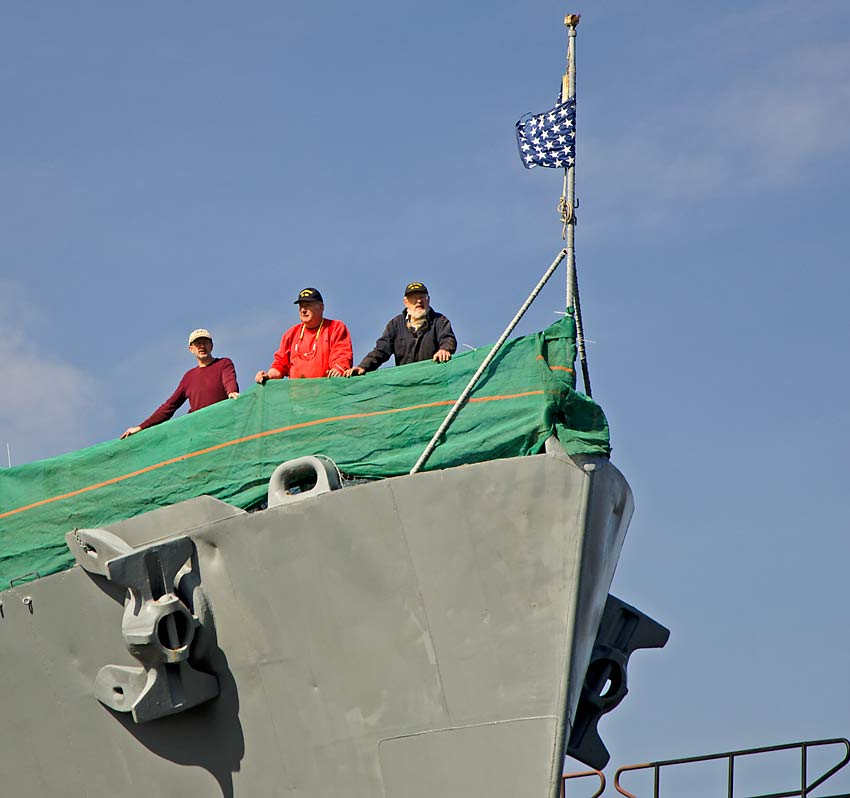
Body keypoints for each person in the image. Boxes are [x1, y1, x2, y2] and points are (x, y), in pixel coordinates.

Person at [120, 329, 239, 439]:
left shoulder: (224, 363)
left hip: (224, 427)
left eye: (205, 342)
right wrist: (141, 427)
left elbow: (229, 380)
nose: (202, 346)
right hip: (200, 434)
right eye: (198, 344)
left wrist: (231, 392)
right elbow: (169, 406)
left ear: (211, 346)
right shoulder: (189, 377)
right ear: (191, 349)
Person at [344, 282, 456, 376]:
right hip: (405, 387)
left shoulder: (439, 320)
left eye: (422, 297)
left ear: (428, 300)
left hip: (433, 382)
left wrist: (445, 349)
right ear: (405, 302)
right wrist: (363, 366)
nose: (419, 301)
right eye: (413, 298)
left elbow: (447, 339)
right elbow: (381, 350)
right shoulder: (396, 324)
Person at [254, 287, 353, 383]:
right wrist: (268, 376)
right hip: (298, 396)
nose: (303, 310)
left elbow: (342, 356)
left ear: (321, 307)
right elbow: (280, 364)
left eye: (307, 305)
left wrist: (338, 369)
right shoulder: (291, 334)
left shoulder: (335, 328)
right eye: (301, 306)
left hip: (326, 395)